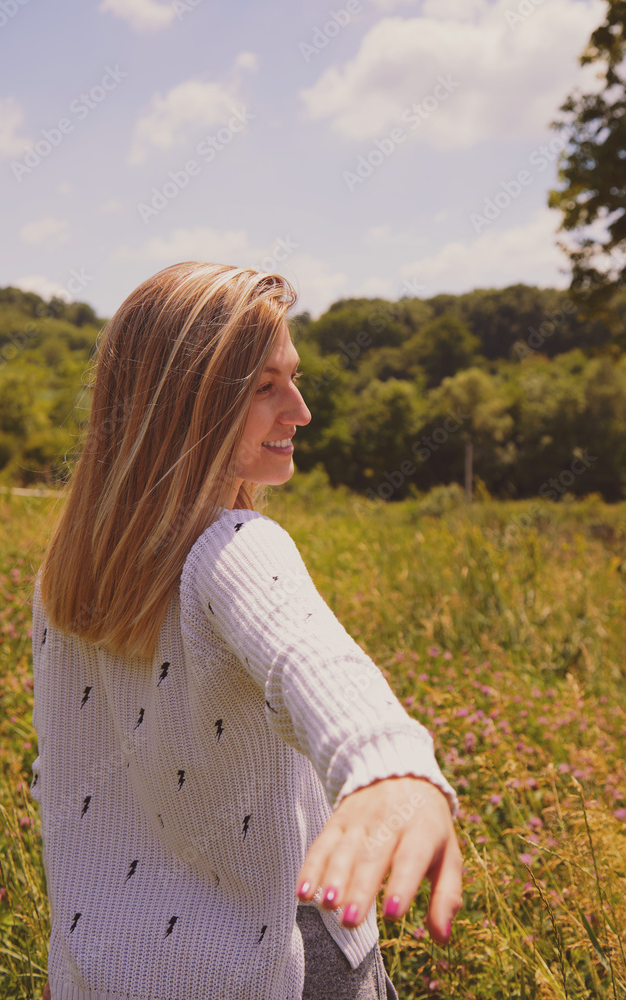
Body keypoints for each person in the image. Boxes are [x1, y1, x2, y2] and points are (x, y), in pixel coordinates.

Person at [31, 262, 462, 1000]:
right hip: (278, 962)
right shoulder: (236, 547)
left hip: (99, 972)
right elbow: (308, 654)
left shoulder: (67, 574)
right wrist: (388, 761)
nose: (298, 410)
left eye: (292, 379)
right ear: (181, 405)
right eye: (263, 387)